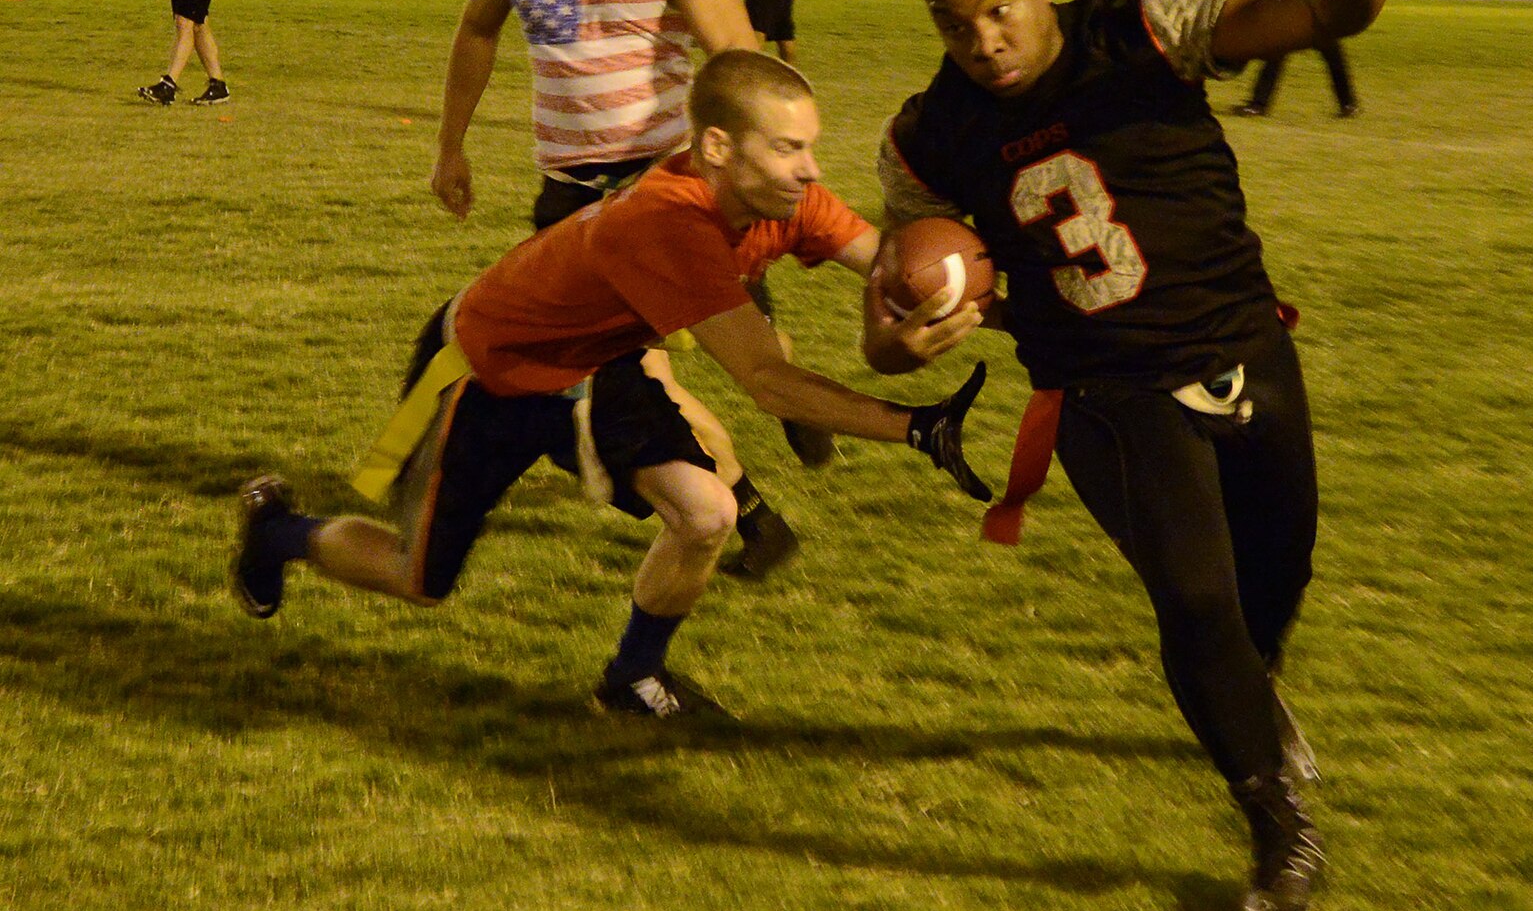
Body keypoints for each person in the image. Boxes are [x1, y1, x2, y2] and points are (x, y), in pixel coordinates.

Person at [872, 0, 1422, 911]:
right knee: (1194, 597)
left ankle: (1246, 700)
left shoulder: (1144, 28)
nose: (983, 42)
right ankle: (1275, 822)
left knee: (1274, 579)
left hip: (1244, 346)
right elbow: (883, 320)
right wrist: (901, 338)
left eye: (996, 9)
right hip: (1103, 389)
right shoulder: (926, 138)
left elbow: (1312, 16)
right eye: (955, 24)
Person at [235, 50, 990, 718]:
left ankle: (631, 677)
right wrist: (916, 425)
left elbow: (893, 266)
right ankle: (278, 531)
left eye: (811, 145)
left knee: (706, 513)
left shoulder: (783, 197)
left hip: (595, 367)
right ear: (719, 148)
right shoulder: (670, 223)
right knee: (419, 576)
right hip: (483, 372)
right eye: (790, 148)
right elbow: (768, 381)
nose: (811, 168)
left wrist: (995, 299)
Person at [427, 0, 811, 576]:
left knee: (707, 358)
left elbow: (738, 61)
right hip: (570, 196)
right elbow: (474, 34)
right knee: (635, 371)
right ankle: (753, 514)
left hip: (663, 186)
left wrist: (766, 165)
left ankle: (778, 423)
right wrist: (450, 147)